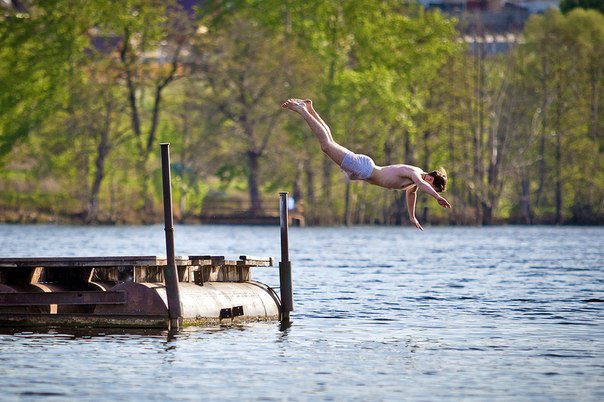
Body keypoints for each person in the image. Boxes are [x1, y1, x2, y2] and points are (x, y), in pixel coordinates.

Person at [281, 98, 451, 231]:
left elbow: (411, 195)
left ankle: (310, 108)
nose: (429, 191)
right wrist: (437, 198)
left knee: (330, 142)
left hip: (364, 170)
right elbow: (421, 185)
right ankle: (302, 110)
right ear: (430, 179)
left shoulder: (415, 182)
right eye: (433, 189)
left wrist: (412, 216)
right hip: (365, 168)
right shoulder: (416, 174)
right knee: (326, 145)